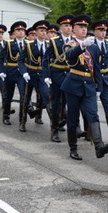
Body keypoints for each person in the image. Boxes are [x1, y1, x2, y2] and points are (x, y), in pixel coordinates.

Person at [60, 15, 108, 160]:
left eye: (85, 27)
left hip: (89, 85)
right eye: (80, 27)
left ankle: (99, 146)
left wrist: (99, 88)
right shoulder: (69, 44)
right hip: (73, 84)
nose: (84, 29)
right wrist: (82, 46)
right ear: (74, 30)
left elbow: (96, 69)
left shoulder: (94, 47)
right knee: (73, 118)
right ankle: (73, 148)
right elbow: (70, 57)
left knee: (93, 114)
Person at [42, 14, 74, 142]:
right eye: (66, 25)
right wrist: (46, 75)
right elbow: (45, 59)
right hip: (57, 75)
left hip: (71, 75)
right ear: (61, 27)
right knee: (55, 103)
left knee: (70, 103)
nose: (68, 28)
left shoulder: (75, 41)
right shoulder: (54, 41)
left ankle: (70, 127)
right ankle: (54, 131)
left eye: (70, 25)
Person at [18, 20, 51, 131]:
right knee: (26, 99)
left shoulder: (49, 45)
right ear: (36, 32)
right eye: (41, 30)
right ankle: (22, 122)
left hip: (42, 75)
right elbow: (20, 61)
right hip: (30, 74)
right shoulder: (29, 45)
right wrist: (24, 72)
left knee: (46, 97)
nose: (43, 33)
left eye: (45, 31)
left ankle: (54, 124)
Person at [91, 19, 108, 140]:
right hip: (93, 79)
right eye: (100, 30)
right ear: (95, 31)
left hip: (106, 78)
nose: (103, 33)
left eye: (104, 30)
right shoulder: (91, 44)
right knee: (92, 108)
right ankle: (93, 134)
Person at [0, 21, 27, 125]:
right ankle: (6, 116)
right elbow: (1, 58)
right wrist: (1, 71)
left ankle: (22, 119)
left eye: (23, 30)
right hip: (10, 72)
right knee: (8, 96)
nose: (21, 32)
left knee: (23, 95)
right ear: (14, 32)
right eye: (18, 30)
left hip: (22, 73)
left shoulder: (28, 43)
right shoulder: (9, 43)